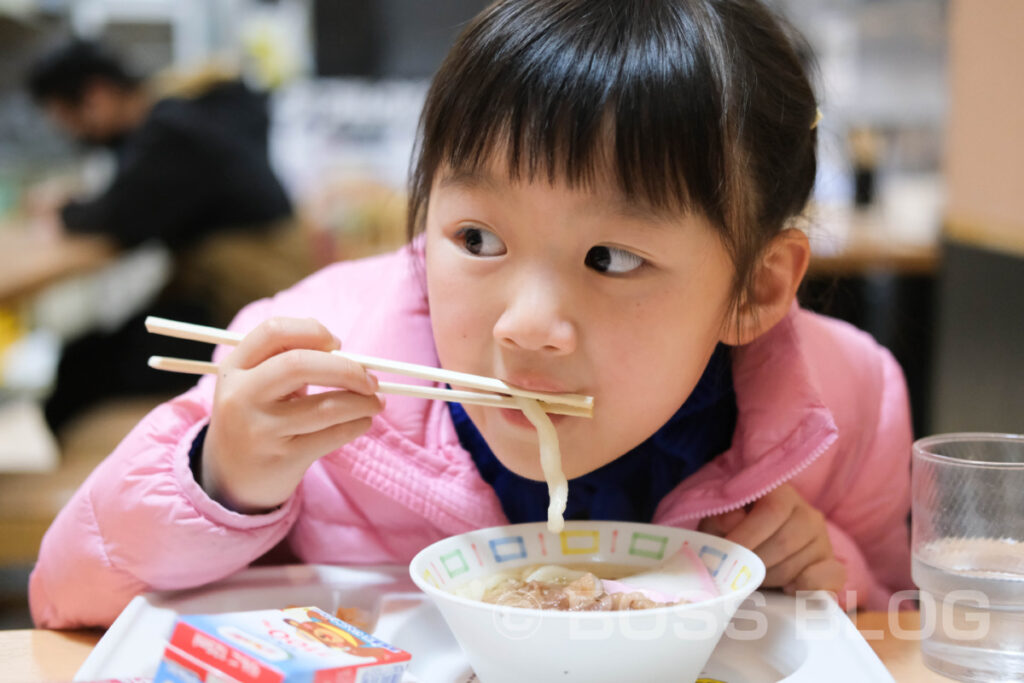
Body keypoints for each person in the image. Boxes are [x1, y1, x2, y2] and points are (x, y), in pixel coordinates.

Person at [30, 0, 912, 629]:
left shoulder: (845, 401)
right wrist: (222, 473)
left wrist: (826, 575)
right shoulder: (319, 347)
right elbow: (64, 595)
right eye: (477, 237)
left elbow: (899, 614)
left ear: (756, 288)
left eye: (611, 258)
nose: (525, 324)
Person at [24, 40, 312, 433]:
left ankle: (98, 476)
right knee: (89, 354)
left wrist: (62, 210)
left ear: (96, 96)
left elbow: (117, 217)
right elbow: (128, 202)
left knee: (80, 368)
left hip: (245, 312)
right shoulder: (182, 119)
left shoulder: (170, 134)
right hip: (254, 300)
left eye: (66, 118)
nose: (71, 132)